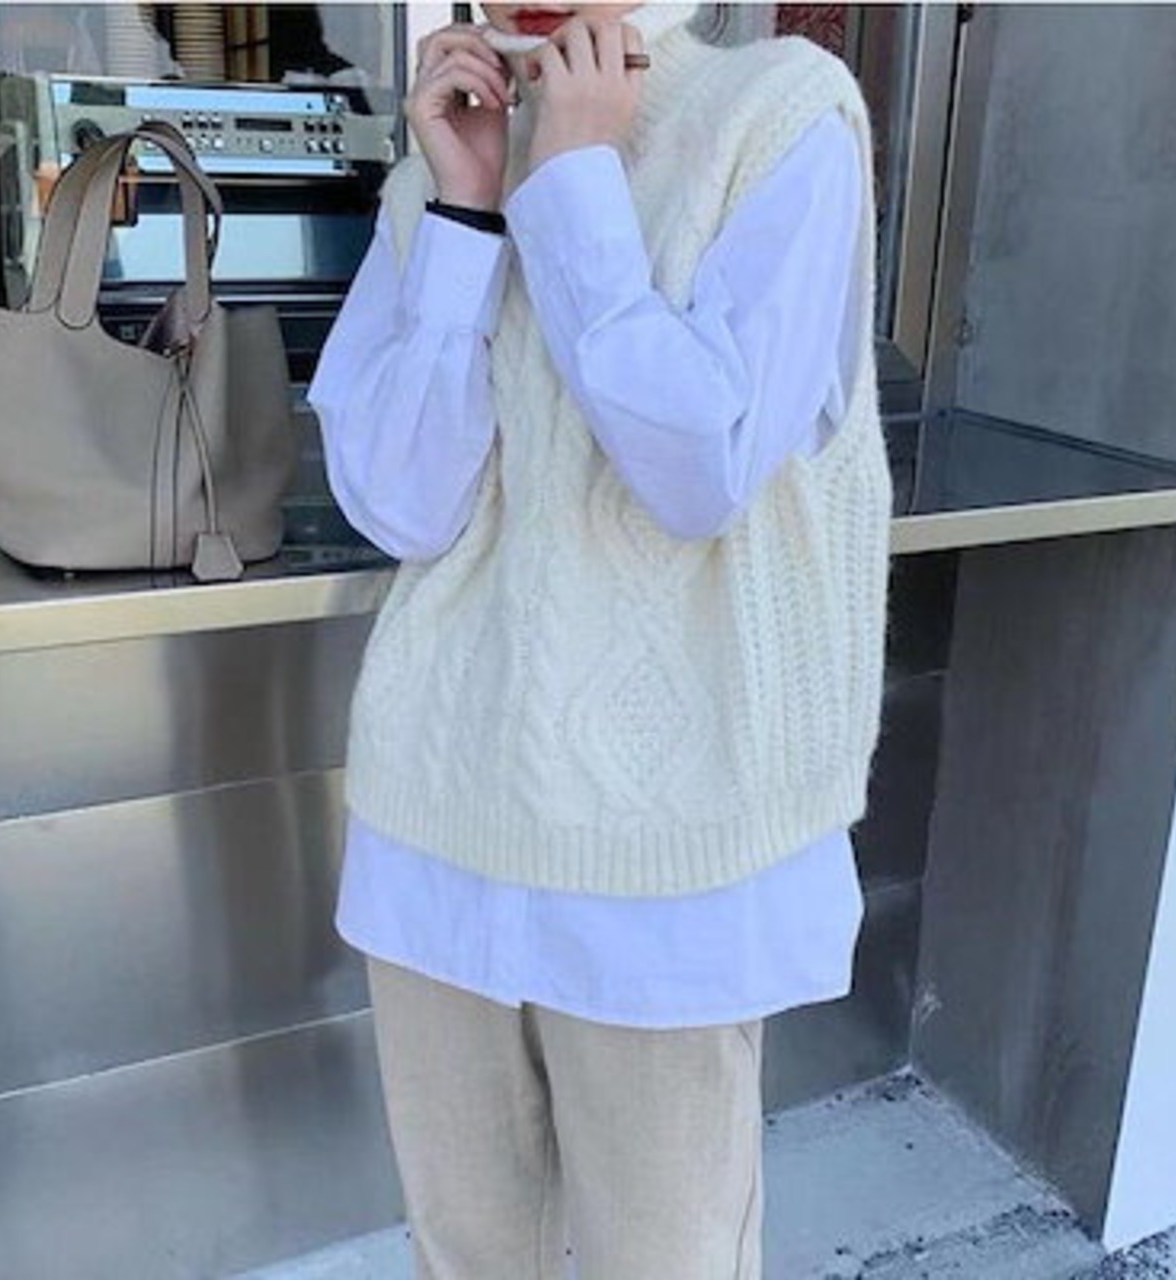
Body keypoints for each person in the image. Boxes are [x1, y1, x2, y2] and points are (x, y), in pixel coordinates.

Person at [308, 3, 892, 1277]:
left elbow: (699, 469)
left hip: (660, 859)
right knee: (468, 1251)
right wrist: (466, 211)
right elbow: (403, 506)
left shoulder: (777, 114)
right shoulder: (442, 160)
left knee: (665, 1256)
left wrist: (572, 179)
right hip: (440, 826)